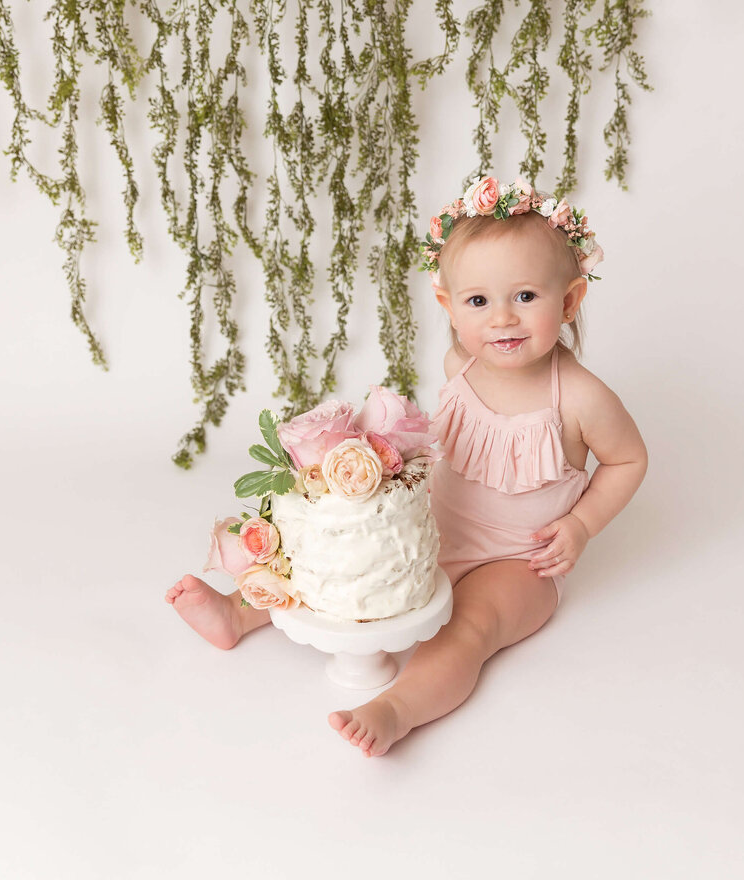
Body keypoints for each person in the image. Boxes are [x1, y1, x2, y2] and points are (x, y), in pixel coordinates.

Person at [166, 176, 647, 757]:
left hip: (521, 561)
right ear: (449, 305)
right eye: (478, 301)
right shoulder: (458, 365)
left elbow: (628, 459)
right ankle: (237, 615)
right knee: (346, 564)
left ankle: (398, 709)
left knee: (470, 630)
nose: (501, 320)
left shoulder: (581, 397)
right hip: (433, 529)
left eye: (525, 297)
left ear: (569, 301)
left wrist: (580, 525)